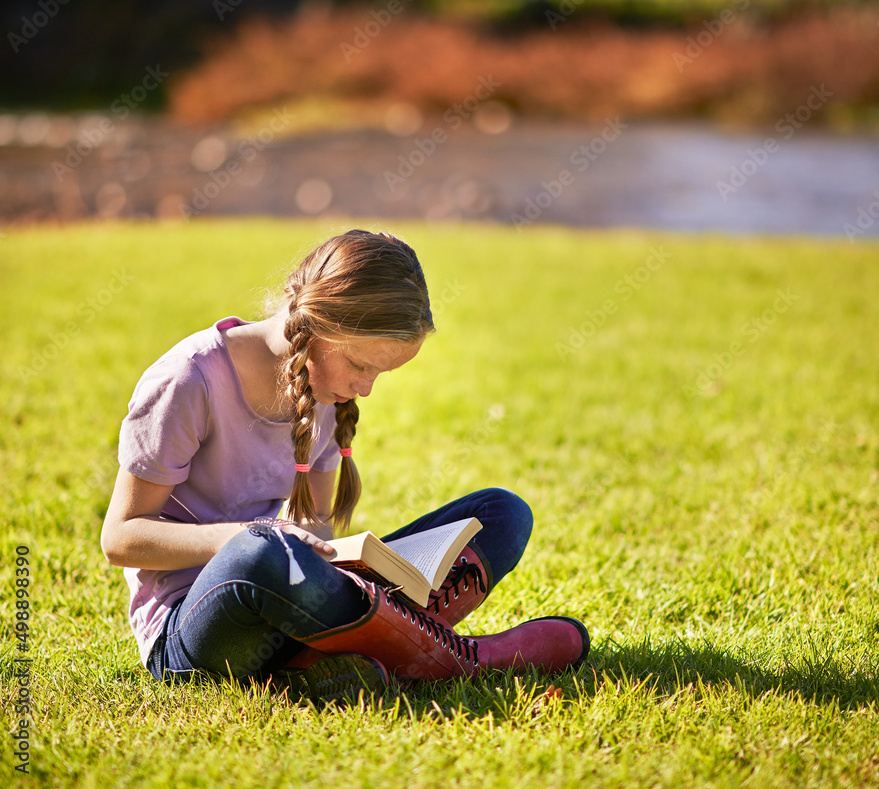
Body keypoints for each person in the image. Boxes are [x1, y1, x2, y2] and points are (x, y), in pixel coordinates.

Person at [101, 229, 589, 705]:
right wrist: (248, 536)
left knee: (501, 513)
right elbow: (120, 539)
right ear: (316, 327)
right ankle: (456, 657)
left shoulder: (325, 391)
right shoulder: (189, 380)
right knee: (259, 553)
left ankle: (328, 661)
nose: (368, 388)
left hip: (298, 605)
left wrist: (334, 554)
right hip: (197, 626)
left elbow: (314, 524)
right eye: (360, 365)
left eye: (381, 372)